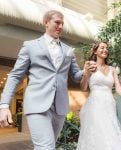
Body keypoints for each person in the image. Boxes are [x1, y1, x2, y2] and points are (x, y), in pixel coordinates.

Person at [0, 10, 96, 150]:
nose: (61, 26)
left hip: (60, 107)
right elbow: (15, 75)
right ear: (46, 22)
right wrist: (4, 106)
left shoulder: (68, 50)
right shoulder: (30, 46)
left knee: (48, 146)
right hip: (37, 104)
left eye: (62, 24)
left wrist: (86, 71)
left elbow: (76, 75)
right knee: (45, 146)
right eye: (57, 22)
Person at [77, 41, 121, 150]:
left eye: (106, 48)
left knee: (111, 132)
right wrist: (86, 74)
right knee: (99, 133)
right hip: (94, 105)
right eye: (102, 48)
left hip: (109, 104)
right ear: (95, 51)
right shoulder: (90, 66)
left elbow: (118, 89)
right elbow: (83, 88)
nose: (105, 50)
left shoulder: (112, 69)